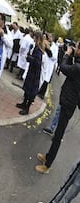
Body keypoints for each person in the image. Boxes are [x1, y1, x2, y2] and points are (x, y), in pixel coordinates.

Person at [36, 42, 80, 174]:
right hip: (67, 102)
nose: (75, 49)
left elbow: (63, 67)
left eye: (77, 47)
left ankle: (47, 165)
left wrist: (66, 55)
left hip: (68, 104)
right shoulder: (78, 65)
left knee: (58, 135)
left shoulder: (78, 67)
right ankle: (48, 157)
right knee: (57, 134)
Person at [16, 31, 44, 115]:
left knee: (31, 91)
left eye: (34, 37)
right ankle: (24, 103)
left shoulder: (38, 49)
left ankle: (27, 108)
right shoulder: (35, 47)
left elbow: (37, 61)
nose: (33, 38)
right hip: (32, 71)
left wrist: (29, 58)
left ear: (37, 38)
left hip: (34, 73)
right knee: (27, 89)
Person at [38, 33, 58, 99]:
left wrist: (50, 53)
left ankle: (42, 93)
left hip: (50, 64)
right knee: (42, 76)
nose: (48, 38)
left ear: (53, 38)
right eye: (48, 36)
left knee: (46, 79)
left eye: (50, 37)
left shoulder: (55, 47)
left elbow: (55, 57)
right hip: (45, 62)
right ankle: (38, 90)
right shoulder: (46, 43)